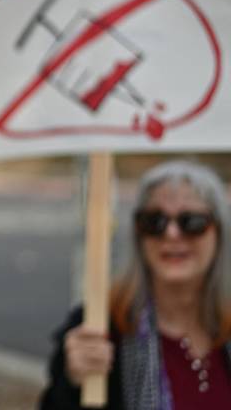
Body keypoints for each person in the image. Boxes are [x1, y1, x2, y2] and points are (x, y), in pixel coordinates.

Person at [39, 160, 231, 409]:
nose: (172, 234)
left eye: (191, 222)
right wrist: (71, 384)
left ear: (219, 233)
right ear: (138, 234)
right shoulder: (99, 329)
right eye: (155, 221)